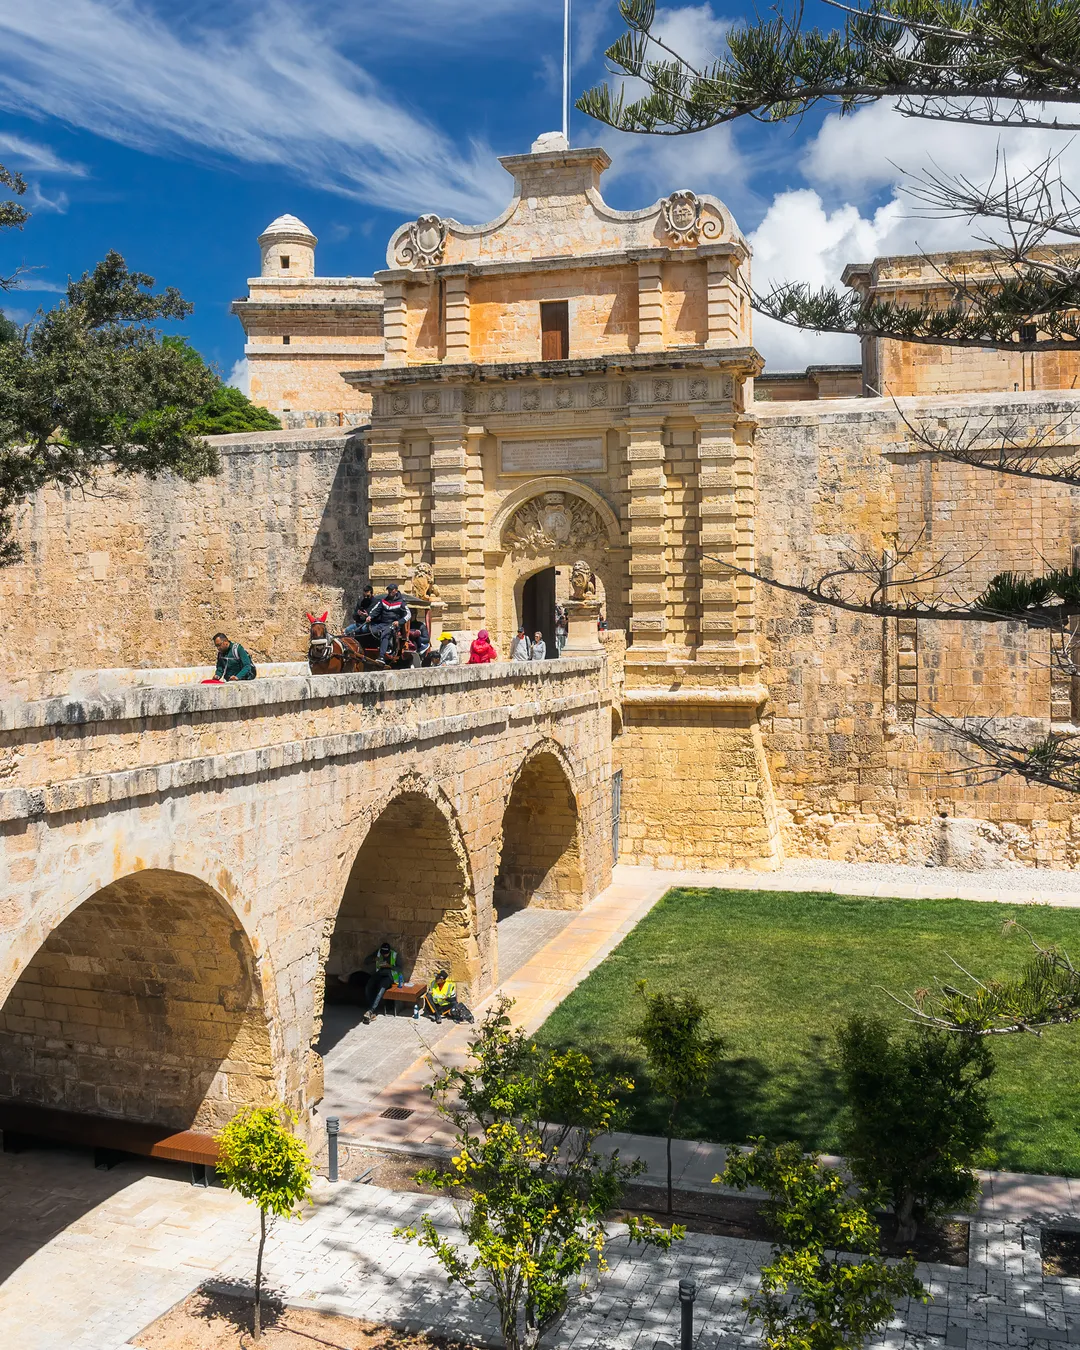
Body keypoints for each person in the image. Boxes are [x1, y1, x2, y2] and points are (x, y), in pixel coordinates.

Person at [366, 582, 411, 665]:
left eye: (391, 590)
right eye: (389, 590)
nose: (390, 591)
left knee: (385, 633)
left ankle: (382, 657)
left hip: (393, 625)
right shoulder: (383, 601)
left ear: (396, 591)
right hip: (383, 623)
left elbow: (408, 615)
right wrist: (370, 617)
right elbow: (375, 610)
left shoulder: (401, 602)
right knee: (370, 630)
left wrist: (399, 622)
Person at [361, 942, 403, 1024]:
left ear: (389, 951)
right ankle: (371, 1008)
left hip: (390, 976)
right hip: (379, 973)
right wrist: (374, 959)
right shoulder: (379, 952)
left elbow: (400, 969)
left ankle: (371, 1010)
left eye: (386, 954)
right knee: (369, 986)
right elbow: (366, 961)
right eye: (383, 954)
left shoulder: (394, 955)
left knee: (381, 989)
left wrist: (389, 966)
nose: (384, 956)